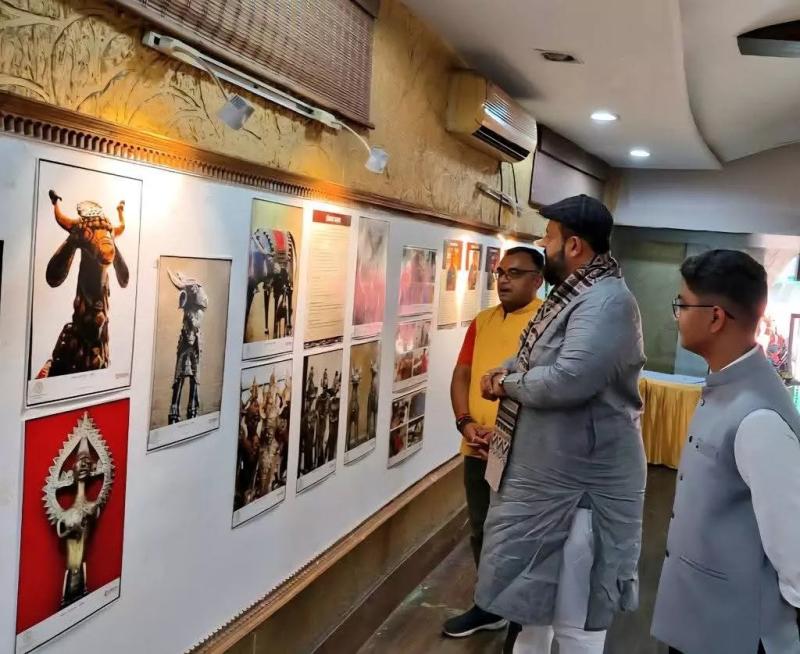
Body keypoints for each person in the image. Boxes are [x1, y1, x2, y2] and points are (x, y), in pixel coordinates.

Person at [476, 194, 647, 654]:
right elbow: (537, 358)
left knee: (576, 629)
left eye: (548, 237)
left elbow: (570, 379)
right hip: (547, 485)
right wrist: (506, 371)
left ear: (573, 245)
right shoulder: (577, 294)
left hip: (578, 498)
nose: (542, 244)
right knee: (534, 621)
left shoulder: (607, 302)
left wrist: (507, 383)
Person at [651, 250, 800, 654]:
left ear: (715, 317)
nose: (677, 315)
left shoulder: (758, 416)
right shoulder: (726, 384)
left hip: (733, 633)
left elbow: (795, 557)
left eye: (683, 304)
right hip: (700, 620)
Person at [442, 246, 544, 641]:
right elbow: (462, 374)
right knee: (482, 527)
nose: (503, 280)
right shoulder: (483, 320)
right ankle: (488, 606)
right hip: (477, 448)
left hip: (521, 452)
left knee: (517, 532)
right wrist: (465, 423)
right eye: (500, 272)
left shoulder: (546, 323)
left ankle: (519, 611)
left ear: (538, 280)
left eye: (515, 273)